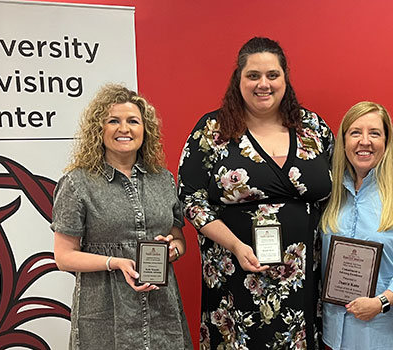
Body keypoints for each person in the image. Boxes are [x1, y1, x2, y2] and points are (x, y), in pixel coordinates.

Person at [178, 37, 333, 349]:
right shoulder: (212, 130)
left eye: (272, 75)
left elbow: (338, 185)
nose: (264, 84)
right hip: (235, 276)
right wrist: (235, 245)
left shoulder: (312, 127)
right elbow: (191, 200)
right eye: (253, 75)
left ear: (285, 78)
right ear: (239, 79)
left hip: (303, 279)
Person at [51, 84, 191, 350]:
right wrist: (115, 262)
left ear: (145, 130)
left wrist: (173, 249)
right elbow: (64, 256)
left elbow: (178, 238)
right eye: (113, 121)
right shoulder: (77, 183)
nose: (124, 129)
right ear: (98, 129)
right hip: (105, 312)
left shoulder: (163, 180)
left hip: (160, 308)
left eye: (133, 121)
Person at [320, 102, 393, 350]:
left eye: (375, 133)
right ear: (343, 141)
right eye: (355, 133)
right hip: (334, 333)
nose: (364, 141)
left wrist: (381, 302)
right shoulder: (330, 191)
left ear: (387, 141)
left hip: (386, 334)